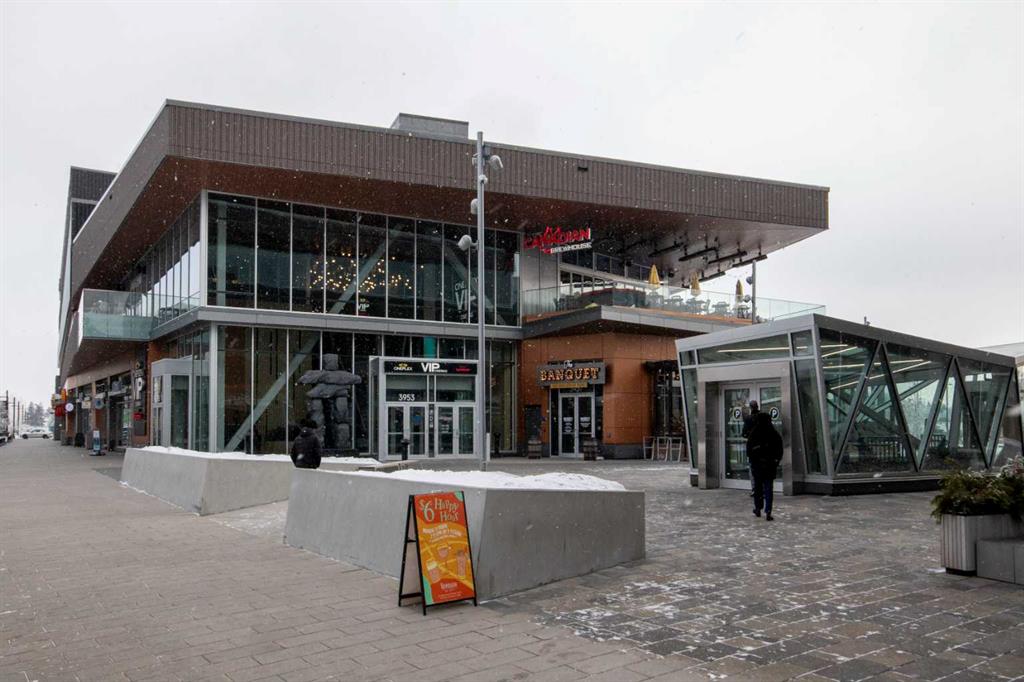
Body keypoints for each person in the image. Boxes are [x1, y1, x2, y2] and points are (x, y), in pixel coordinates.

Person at [747, 411, 783, 521]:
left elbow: (749, 450)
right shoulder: (773, 433)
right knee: (768, 488)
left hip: (757, 464)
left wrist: (754, 459)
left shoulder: (754, 433)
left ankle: (758, 508)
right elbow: (779, 449)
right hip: (769, 465)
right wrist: (776, 461)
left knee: (758, 487)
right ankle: (768, 511)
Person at [741, 401, 760, 495]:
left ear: (751, 408)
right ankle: (763, 489)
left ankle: (755, 489)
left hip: (752, 447)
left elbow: (744, 433)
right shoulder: (764, 417)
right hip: (763, 447)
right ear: (757, 406)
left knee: (752, 468)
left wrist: (749, 435)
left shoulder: (748, 419)